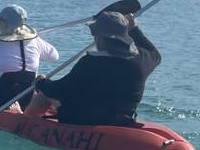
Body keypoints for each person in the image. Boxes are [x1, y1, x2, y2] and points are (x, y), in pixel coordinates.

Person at [27, 11, 160, 127]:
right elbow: (155, 54)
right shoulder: (142, 59)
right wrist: (134, 29)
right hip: (123, 120)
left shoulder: (90, 63)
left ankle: (23, 121)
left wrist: (40, 82)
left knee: (44, 94)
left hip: (85, 120)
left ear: (100, 38)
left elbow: (59, 90)